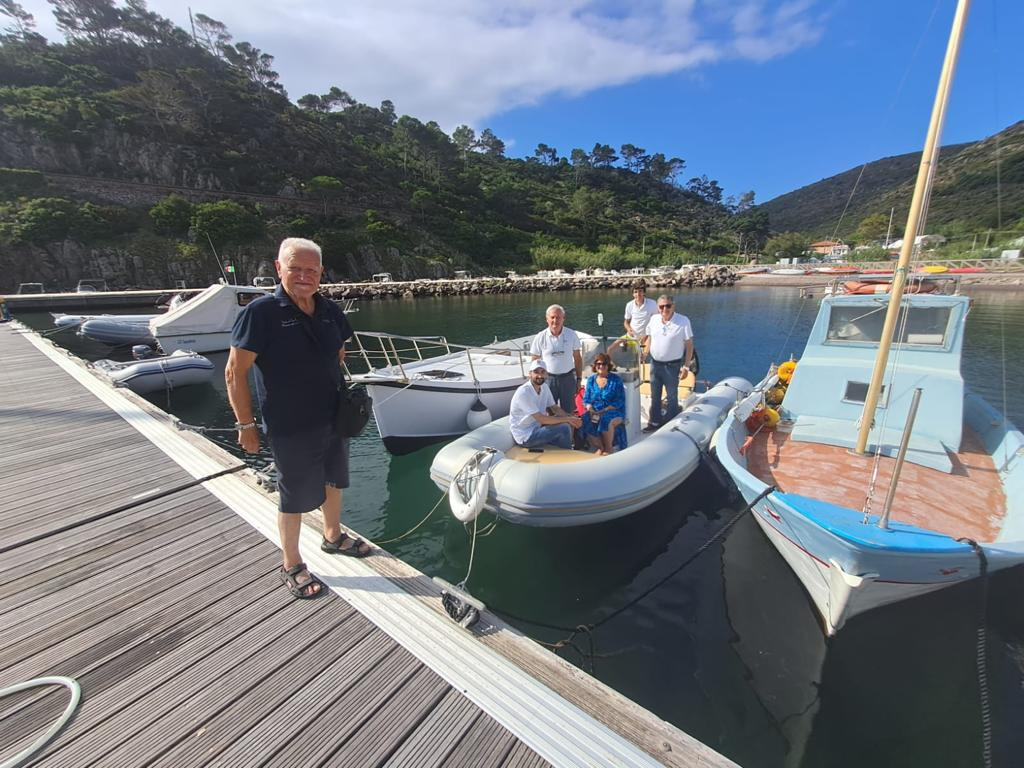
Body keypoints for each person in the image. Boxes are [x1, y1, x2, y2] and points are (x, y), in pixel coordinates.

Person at [226, 237, 370, 601]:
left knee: (335, 480)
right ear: (279, 269)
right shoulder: (260, 314)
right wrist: (245, 425)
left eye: (311, 270)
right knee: (293, 495)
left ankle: (332, 536)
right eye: (295, 269)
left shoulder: (329, 310)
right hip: (290, 424)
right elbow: (234, 372)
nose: (304, 276)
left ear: (321, 273)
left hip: (334, 416)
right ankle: (291, 562)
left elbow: (339, 353)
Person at [642, 294, 694, 431]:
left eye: (668, 306)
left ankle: (671, 425)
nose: (664, 309)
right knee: (655, 395)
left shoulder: (683, 321)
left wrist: (686, 367)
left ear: (673, 306)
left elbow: (689, 345)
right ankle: (654, 422)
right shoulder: (654, 319)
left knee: (672, 396)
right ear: (657, 307)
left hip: (672, 365)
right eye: (661, 306)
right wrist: (644, 353)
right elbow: (649, 338)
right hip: (655, 364)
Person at [509, 360, 582, 449]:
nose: (540, 376)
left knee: (567, 423)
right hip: (525, 436)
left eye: (542, 372)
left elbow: (554, 408)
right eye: (536, 372)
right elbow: (541, 419)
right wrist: (568, 419)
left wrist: (572, 418)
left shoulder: (544, 387)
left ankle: (564, 450)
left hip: (537, 428)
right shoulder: (524, 392)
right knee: (564, 428)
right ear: (530, 374)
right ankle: (568, 453)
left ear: (546, 374)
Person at [530, 304, 583, 414]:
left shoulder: (571, 334)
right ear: (547, 319)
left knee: (569, 411)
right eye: (552, 317)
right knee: (549, 412)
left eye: (558, 317)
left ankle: (568, 426)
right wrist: (536, 382)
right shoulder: (540, 337)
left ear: (563, 318)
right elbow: (535, 361)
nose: (555, 320)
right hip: (548, 380)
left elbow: (577, 358)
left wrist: (578, 379)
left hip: (568, 379)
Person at [580, 353, 626, 455]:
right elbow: (586, 399)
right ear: (595, 365)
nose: (601, 366)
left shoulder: (616, 380)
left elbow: (620, 400)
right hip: (595, 410)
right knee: (584, 419)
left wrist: (605, 410)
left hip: (613, 410)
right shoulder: (591, 380)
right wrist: (590, 408)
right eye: (598, 364)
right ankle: (600, 447)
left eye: (604, 364)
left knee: (605, 419)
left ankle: (608, 448)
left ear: (608, 365)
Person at [623, 279, 657, 344]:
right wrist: (629, 329)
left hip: (646, 338)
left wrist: (647, 335)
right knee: (611, 348)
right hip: (631, 337)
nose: (638, 294)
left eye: (640, 291)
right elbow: (626, 322)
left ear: (644, 293)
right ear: (633, 294)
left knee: (642, 351)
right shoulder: (629, 305)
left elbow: (656, 322)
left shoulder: (652, 304)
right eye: (635, 292)